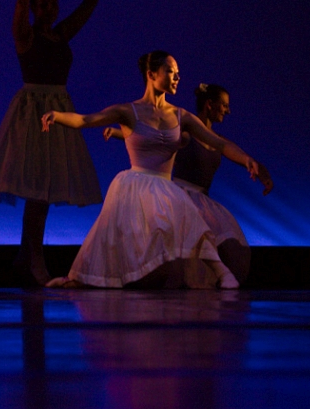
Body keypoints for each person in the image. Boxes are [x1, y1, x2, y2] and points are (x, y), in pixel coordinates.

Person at [42, 51, 272, 289]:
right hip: (135, 185)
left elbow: (219, 143)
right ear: (151, 75)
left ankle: (222, 273)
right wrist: (57, 115)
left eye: (178, 73)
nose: (177, 78)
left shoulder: (181, 116)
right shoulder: (128, 111)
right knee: (115, 240)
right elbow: (85, 120)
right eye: (171, 72)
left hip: (165, 186)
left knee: (189, 222)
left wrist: (246, 159)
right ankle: (81, 280)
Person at [0, 0, 103, 286]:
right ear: (35, 8)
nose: (50, 9)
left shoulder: (61, 34)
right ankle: (34, 257)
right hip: (32, 112)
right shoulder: (26, 35)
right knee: (38, 188)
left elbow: (89, 4)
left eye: (53, 4)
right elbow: (20, 3)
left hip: (59, 110)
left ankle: (26, 255)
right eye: (43, 4)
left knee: (45, 188)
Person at [103, 83, 272, 284]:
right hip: (181, 197)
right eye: (224, 105)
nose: (228, 111)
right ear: (209, 104)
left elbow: (237, 153)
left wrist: (258, 170)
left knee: (221, 245)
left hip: (204, 200)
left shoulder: (217, 139)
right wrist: (118, 133)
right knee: (185, 245)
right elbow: (156, 137)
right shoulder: (186, 133)